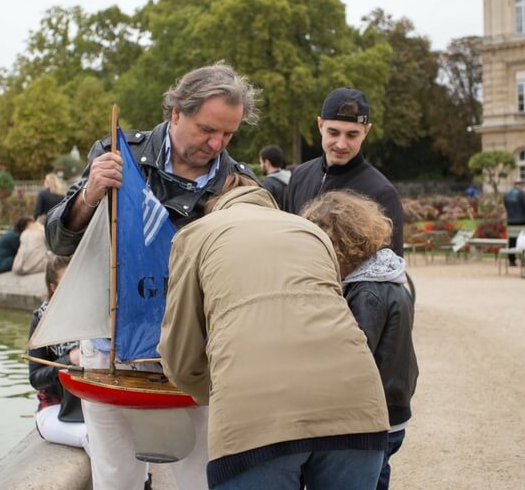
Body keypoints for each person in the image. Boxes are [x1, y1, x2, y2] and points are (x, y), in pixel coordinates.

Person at [46, 63, 260, 490]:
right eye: (207, 129)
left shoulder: (240, 183)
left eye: (229, 134)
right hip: (111, 347)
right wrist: (90, 194)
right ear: (176, 112)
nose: (217, 144)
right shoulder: (115, 152)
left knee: (199, 478)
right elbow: (58, 239)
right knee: (114, 477)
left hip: (197, 353)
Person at [159, 179, 389, 490]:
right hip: (355, 403)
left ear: (212, 206)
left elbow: (180, 355)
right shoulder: (309, 230)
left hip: (255, 412)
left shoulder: (196, 234)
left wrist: (213, 391)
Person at [301, 190, 418, 490]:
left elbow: (356, 356)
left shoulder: (367, 291)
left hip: (377, 413)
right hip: (396, 402)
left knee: (369, 475)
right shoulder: (388, 277)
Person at [284, 87, 405, 256]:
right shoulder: (299, 176)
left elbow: (390, 272)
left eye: (351, 135)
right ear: (320, 125)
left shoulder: (382, 193)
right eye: (333, 132)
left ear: (366, 131)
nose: (341, 144)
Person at [28, 254, 88, 450]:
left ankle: (143, 482)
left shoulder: (92, 314)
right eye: (66, 283)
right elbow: (36, 378)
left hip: (93, 404)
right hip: (55, 407)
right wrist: (69, 360)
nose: (74, 289)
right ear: (53, 288)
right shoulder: (41, 320)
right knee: (93, 437)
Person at [258, 144, 290, 208]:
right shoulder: (291, 177)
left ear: (267, 162)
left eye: (261, 162)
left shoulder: (268, 184)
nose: (260, 166)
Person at [503, 180, 525, 266]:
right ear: (520, 185)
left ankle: (511, 260)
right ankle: (523, 260)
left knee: (512, 240)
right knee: (523, 241)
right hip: (521, 221)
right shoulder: (521, 194)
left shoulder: (507, 194)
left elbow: (506, 206)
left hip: (511, 221)